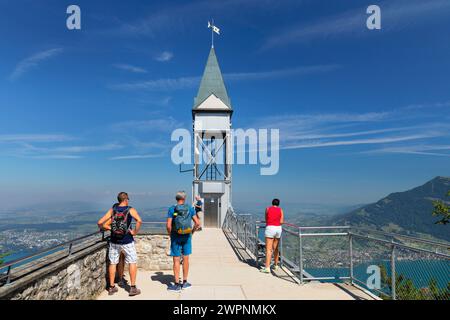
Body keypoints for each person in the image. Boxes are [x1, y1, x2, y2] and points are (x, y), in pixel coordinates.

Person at [97, 192, 142, 296]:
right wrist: (134, 232)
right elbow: (139, 221)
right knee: (132, 262)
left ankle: (112, 287)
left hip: (114, 241)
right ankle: (133, 288)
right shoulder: (130, 209)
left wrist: (111, 228)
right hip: (127, 240)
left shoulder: (113, 210)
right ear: (126, 199)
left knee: (113, 263)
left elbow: (100, 223)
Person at [166, 191, 200, 292]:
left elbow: (168, 225)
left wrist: (170, 234)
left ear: (176, 198)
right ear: (184, 199)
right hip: (187, 236)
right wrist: (192, 232)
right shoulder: (190, 208)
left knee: (176, 260)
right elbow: (197, 223)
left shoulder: (172, 209)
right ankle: (185, 282)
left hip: (175, 237)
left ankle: (176, 285)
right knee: (186, 259)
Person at [260, 198, 284, 274]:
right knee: (276, 248)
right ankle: (276, 265)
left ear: (272, 203)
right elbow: (281, 221)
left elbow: (266, 219)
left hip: (270, 228)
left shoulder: (267, 209)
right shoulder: (281, 210)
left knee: (269, 249)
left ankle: (267, 268)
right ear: (278, 204)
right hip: (278, 229)